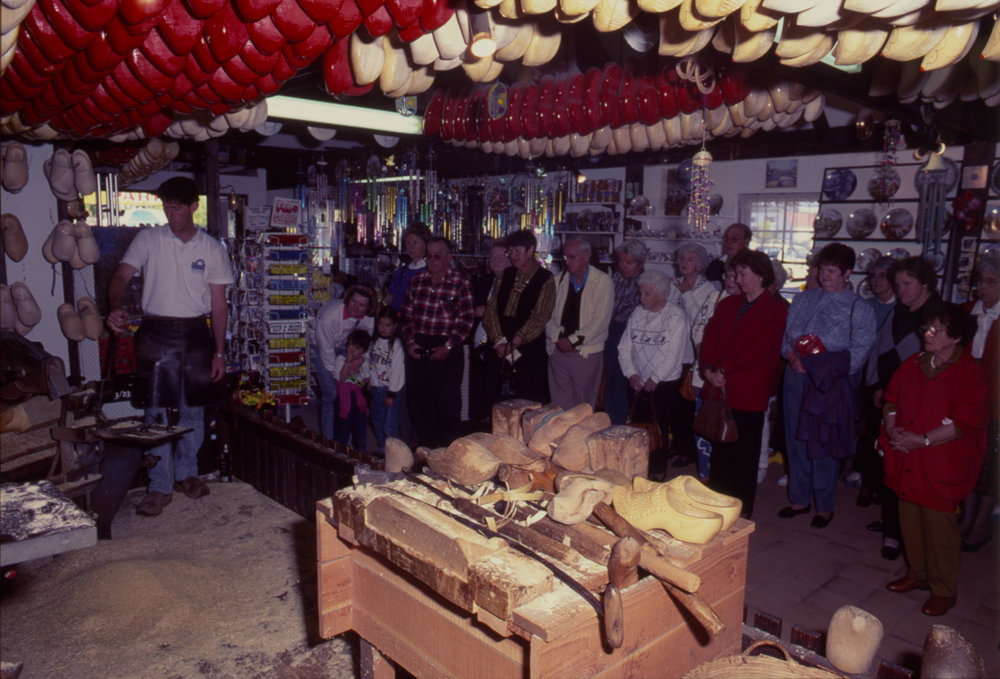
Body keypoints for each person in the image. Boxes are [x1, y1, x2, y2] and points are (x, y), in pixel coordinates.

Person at [106, 177, 233, 517]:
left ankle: (187, 474)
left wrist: (220, 352)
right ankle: (159, 486)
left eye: (177, 207)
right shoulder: (149, 238)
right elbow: (120, 276)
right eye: (166, 206)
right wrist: (115, 306)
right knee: (156, 411)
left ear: (194, 206)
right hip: (155, 331)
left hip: (196, 333)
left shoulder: (211, 248)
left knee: (194, 409)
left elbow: (219, 305)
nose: (171, 213)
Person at [882, 303, 987, 617]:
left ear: (955, 337)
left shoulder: (970, 371)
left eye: (936, 330)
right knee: (910, 518)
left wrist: (924, 440)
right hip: (908, 458)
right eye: (926, 327)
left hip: (942, 462)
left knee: (939, 527)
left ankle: (944, 589)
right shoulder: (914, 363)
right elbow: (891, 400)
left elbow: (965, 420)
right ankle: (917, 573)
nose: (926, 334)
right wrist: (892, 429)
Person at [779, 242, 875, 528]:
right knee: (795, 438)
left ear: (847, 272)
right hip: (796, 376)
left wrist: (827, 372)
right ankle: (799, 498)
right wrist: (792, 356)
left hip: (828, 384)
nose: (824, 275)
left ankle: (824, 505)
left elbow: (860, 351)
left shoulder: (858, 307)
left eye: (832, 271)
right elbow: (786, 336)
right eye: (822, 268)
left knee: (823, 441)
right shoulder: (804, 299)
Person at [863, 256, 944, 557]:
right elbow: (879, 352)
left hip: (919, 407)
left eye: (907, 284)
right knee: (891, 463)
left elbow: (928, 367)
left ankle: (907, 534)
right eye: (898, 284)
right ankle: (892, 528)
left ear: (924, 284)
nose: (902, 290)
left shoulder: (937, 317)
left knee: (913, 468)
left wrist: (893, 393)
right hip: (889, 399)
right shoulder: (897, 311)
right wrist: (876, 388)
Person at [700, 250, 788, 518]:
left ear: (761, 276)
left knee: (744, 457)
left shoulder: (777, 310)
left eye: (742, 274)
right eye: (735, 274)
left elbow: (760, 351)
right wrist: (708, 370)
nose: (737, 280)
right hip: (720, 387)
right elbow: (709, 340)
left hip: (749, 392)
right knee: (720, 453)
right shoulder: (727, 305)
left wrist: (722, 370)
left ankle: (741, 512)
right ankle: (717, 507)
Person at [617, 269, 692, 478]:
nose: (641, 298)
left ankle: (657, 473)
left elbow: (674, 354)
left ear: (662, 294)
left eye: (647, 294)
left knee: (658, 429)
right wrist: (631, 373)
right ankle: (637, 469)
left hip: (663, 383)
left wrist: (654, 379)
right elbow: (624, 347)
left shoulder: (676, 317)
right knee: (637, 427)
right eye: (641, 293)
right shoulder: (637, 314)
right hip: (637, 380)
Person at [400, 237, 474, 447]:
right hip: (418, 347)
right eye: (429, 256)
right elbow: (405, 317)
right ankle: (427, 453)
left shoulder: (461, 282)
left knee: (448, 405)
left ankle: (450, 453)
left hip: (447, 348)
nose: (432, 260)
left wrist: (448, 346)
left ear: (448, 258)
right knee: (419, 403)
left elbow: (466, 319)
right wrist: (410, 342)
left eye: (437, 256)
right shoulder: (417, 281)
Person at [483, 230, 555, 405]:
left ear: (530, 250)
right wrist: (499, 340)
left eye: (517, 251)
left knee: (528, 403)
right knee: (500, 403)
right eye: (510, 252)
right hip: (500, 345)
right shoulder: (506, 275)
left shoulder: (545, 279)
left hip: (529, 350)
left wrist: (516, 341)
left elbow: (540, 316)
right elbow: (490, 309)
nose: (513, 256)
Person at [959, 251, 999, 552]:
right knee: (967, 462)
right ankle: (966, 517)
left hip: (996, 404)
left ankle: (981, 523)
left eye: (992, 282)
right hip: (967, 401)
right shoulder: (967, 313)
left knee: (991, 469)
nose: (984, 287)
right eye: (980, 281)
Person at [852, 256, 899, 509]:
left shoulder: (900, 308)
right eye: (873, 276)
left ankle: (884, 485)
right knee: (869, 433)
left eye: (883, 275)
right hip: (865, 378)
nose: (876, 281)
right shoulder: (865, 306)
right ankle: (867, 483)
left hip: (889, 380)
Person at [667, 242, 720, 466]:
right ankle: (678, 444)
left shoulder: (709, 289)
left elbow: (700, 321)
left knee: (688, 404)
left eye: (689, 259)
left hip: (693, 353)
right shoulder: (674, 285)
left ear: (699, 265)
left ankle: (689, 451)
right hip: (674, 351)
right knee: (674, 404)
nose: (684, 263)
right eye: (682, 259)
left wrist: (687, 295)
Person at [546, 237, 613, 410]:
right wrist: (558, 338)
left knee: (583, 407)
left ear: (586, 256)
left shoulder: (603, 282)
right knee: (559, 406)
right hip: (558, 351)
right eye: (565, 257)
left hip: (585, 354)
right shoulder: (557, 280)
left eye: (572, 257)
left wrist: (572, 341)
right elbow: (547, 316)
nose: (567, 261)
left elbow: (600, 322)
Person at [314, 285, 375, 440]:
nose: (356, 307)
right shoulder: (330, 316)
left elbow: (369, 344)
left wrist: (361, 359)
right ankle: (328, 440)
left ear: (368, 307)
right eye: (353, 301)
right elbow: (326, 350)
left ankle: (346, 440)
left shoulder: (369, 319)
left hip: (349, 347)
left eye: (362, 305)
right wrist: (338, 376)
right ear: (348, 299)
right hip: (323, 348)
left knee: (351, 393)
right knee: (332, 394)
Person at [604, 239, 646, 425]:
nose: (623, 265)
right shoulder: (616, 278)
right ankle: (609, 421)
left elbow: (631, 312)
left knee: (621, 381)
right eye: (621, 261)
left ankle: (618, 424)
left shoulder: (644, 283)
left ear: (640, 263)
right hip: (610, 331)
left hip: (627, 334)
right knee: (609, 381)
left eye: (629, 262)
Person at [468, 242, 510, 422]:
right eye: (492, 258)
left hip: (501, 344)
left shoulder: (515, 283)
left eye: (501, 257)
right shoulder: (484, 281)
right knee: (478, 395)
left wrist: (487, 311)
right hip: (479, 345)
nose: (496, 261)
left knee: (497, 397)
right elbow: (472, 308)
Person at [369, 307, 405, 455]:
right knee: (377, 420)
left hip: (390, 390)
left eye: (388, 325)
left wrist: (392, 393)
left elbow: (397, 371)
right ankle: (382, 449)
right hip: (375, 388)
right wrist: (369, 382)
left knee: (389, 424)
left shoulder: (396, 345)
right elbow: (370, 365)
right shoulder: (374, 342)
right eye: (381, 324)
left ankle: (393, 454)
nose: (384, 328)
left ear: (395, 325)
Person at [333, 329, 371, 450]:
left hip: (359, 398)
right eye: (350, 346)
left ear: (364, 351)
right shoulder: (341, 359)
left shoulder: (364, 362)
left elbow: (365, 380)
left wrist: (357, 381)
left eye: (357, 348)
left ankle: (360, 454)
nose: (352, 350)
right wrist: (348, 363)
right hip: (345, 398)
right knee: (343, 428)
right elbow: (342, 379)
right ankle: (340, 453)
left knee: (360, 432)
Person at [386, 222, 431, 311]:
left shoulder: (430, 271)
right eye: (408, 243)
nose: (411, 247)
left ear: (425, 244)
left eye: (415, 243)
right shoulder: (401, 271)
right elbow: (389, 298)